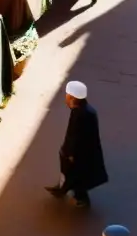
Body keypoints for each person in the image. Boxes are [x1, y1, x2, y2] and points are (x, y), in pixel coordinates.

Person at [45, 80, 108, 208]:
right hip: (83, 152)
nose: (66, 98)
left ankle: (78, 197)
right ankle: (63, 188)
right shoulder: (86, 110)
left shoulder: (79, 114)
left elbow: (76, 135)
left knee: (76, 175)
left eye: (67, 96)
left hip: (78, 154)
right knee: (73, 173)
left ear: (73, 97)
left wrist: (70, 153)